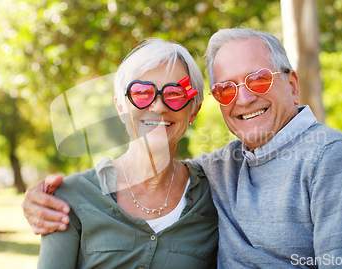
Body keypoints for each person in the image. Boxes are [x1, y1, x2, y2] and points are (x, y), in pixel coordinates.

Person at [24, 28, 342, 268]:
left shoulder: (334, 159)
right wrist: (39, 199)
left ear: (292, 85)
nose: (244, 98)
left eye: (259, 80)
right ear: (121, 103)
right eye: (227, 89)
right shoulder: (223, 168)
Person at [36, 38, 218, 269]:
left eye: (175, 94)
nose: (159, 106)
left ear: (194, 111)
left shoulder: (215, 193)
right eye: (142, 92)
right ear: (121, 106)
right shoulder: (70, 197)